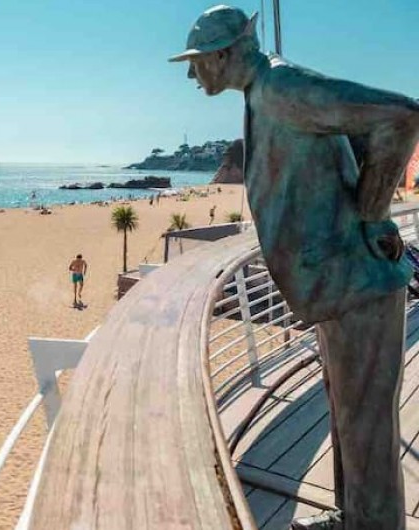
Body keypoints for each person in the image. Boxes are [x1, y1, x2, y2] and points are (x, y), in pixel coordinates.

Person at [171, 6, 419, 529]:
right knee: (347, 416)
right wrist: (356, 197)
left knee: (366, 429)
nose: (192, 75)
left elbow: (401, 116)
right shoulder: (263, 91)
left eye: (196, 63)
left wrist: (373, 215)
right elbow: (351, 135)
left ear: (223, 55)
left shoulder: (282, 86)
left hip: (360, 285)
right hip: (338, 285)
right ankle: (352, 517)